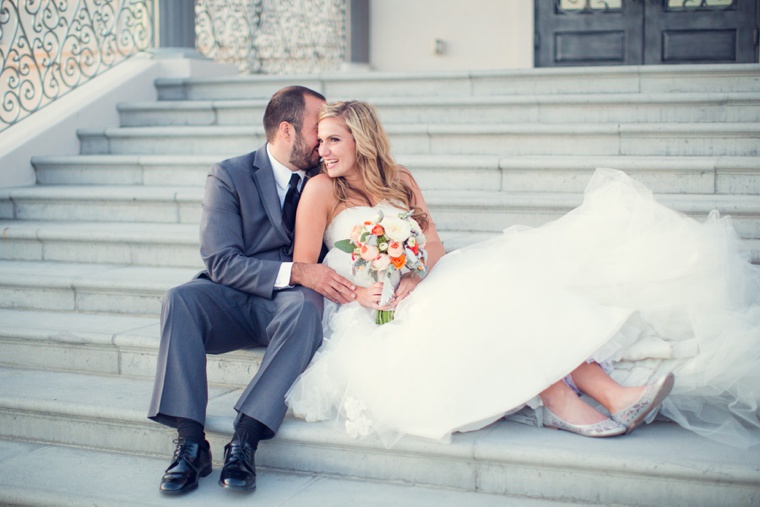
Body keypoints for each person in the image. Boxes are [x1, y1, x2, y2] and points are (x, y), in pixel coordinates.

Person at [284, 100, 760, 450]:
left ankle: (606, 393)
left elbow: (432, 244)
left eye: (333, 139)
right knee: (478, 304)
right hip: (366, 310)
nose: (321, 151)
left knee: (498, 280)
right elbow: (307, 269)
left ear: (361, 139)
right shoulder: (322, 190)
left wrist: (414, 277)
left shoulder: (400, 179)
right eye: (320, 140)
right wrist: (364, 295)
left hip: (415, 286)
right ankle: (572, 399)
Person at [148, 86, 358, 495]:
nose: (323, 141)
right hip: (233, 297)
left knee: (303, 308)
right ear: (286, 130)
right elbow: (220, 260)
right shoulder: (230, 174)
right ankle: (191, 443)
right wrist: (296, 270)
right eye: (318, 129)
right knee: (180, 299)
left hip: (288, 305)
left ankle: (245, 437)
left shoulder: (327, 176)